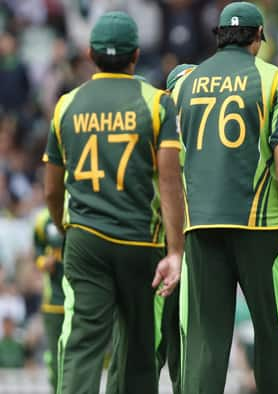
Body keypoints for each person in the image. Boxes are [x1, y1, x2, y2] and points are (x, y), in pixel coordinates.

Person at [43, 11, 184, 394]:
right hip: (140, 241)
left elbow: (52, 190)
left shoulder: (67, 105)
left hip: (86, 239)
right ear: (136, 55)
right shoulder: (156, 103)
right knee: (139, 349)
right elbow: (170, 181)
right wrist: (176, 251)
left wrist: (64, 226)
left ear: (89, 55)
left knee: (81, 345)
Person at [171, 2, 278, 393]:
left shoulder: (183, 82)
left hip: (199, 226)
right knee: (273, 334)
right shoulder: (270, 79)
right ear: (258, 38)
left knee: (204, 340)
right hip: (258, 226)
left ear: (219, 37)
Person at [33, 208, 64, 393]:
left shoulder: (78, 209)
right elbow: (37, 249)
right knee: (54, 358)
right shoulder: (43, 219)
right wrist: (43, 262)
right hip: (52, 302)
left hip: (79, 301)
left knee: (75, 355)